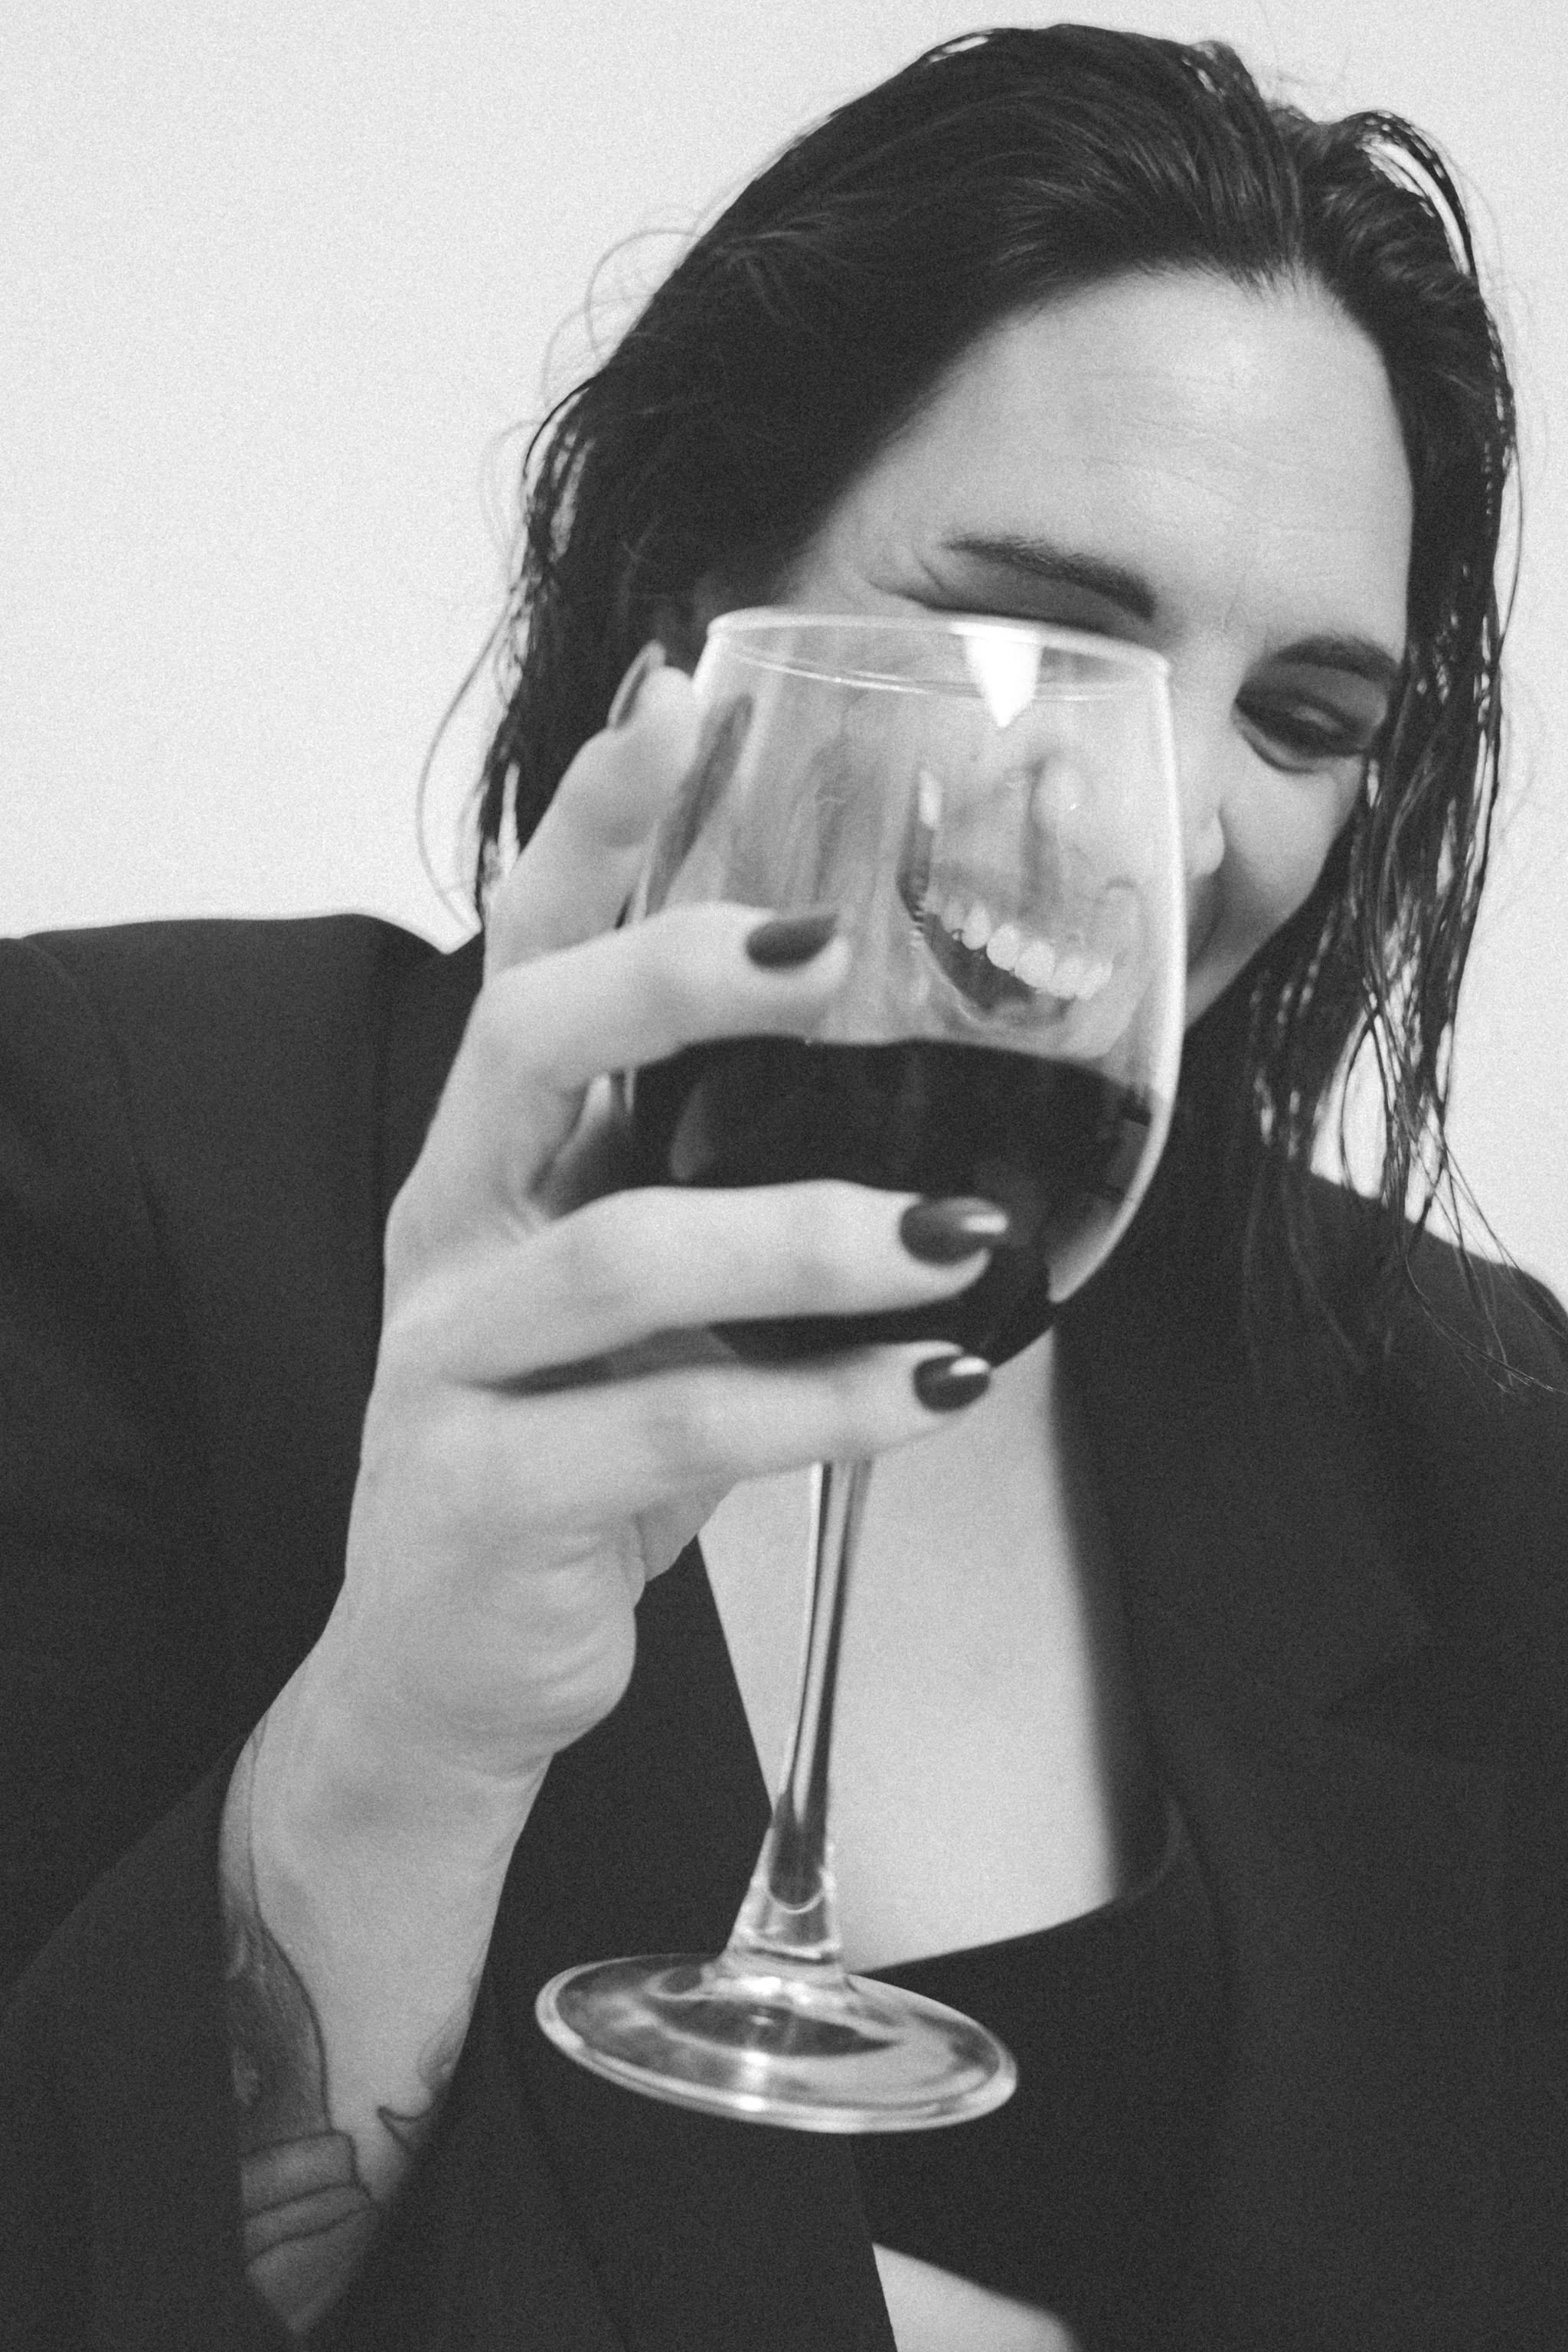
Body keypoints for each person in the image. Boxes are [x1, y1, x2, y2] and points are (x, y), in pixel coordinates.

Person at [2, 24, 1564, 2351]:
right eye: (1055, 633)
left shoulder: (1479, 1428)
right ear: (705, 591)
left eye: (1303, 720)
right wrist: (410, 1734)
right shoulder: (107, 1147)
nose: (1189, 820)